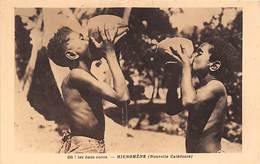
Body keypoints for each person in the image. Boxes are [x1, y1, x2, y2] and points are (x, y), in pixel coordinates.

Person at [47, 26, 129, 153]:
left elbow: (120, 95)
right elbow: (122, 98)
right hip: (84, 147)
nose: (88, 38)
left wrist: (110, 53)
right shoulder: (75, 75)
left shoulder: (86, 76)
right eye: (81, 38)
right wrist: (110, 53)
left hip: (91, 146)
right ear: (71, 54)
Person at [166, 37, 235, 153]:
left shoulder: (216, 87)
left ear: (214, 65)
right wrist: (174, 76)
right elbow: (171, 108)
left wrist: (186, 66)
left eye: (199, 53)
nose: (192, 56)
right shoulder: (200, 89)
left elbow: (187, 101)